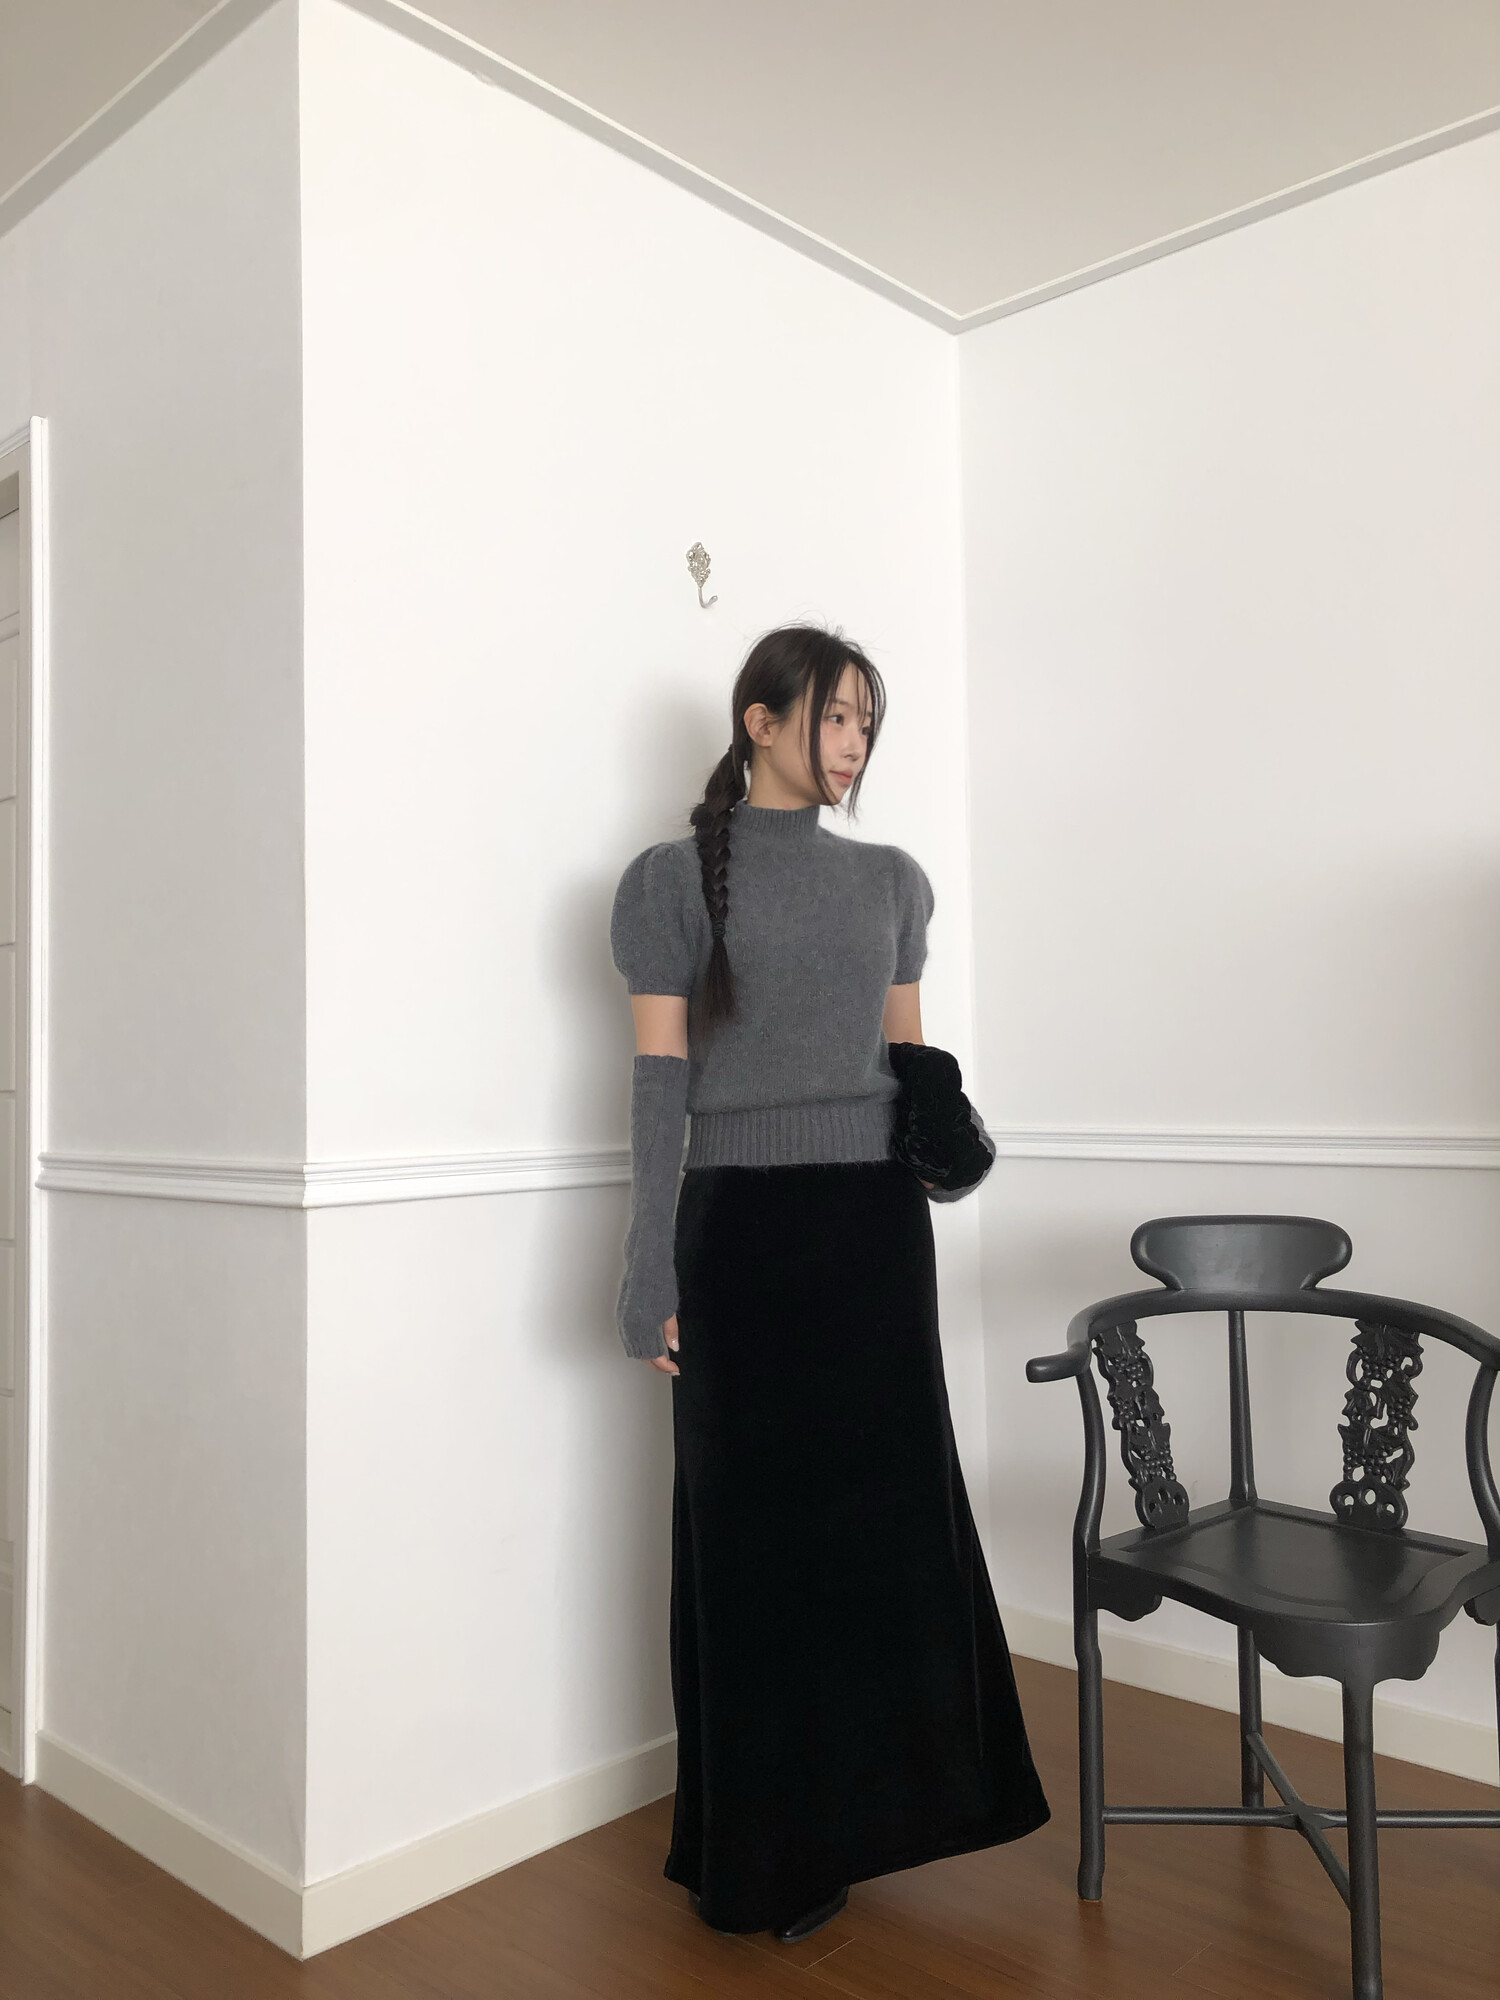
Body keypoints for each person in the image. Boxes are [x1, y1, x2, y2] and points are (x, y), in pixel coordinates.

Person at [608, 623, 1049, 1943]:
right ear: (759, 720)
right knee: (749, 1545)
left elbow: (910, 1065)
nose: (853, 743)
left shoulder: (894, 883)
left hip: (870, 1236)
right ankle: (762, 1851)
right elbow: (660, 1082)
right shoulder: (670, 882)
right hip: (737, 1234)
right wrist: (645, 1258)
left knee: (880, 1532)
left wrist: (948, 1140)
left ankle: (874, 1819)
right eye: (833, 716)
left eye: (866, 722)